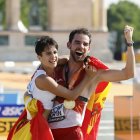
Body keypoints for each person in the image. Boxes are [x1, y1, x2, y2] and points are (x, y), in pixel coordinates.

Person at [14, 25, 135, 140]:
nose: (81, 46)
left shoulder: (94, 74)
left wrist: (129, 43)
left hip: (72, 134)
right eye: (77, 42)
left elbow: (128, 73)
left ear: (88, 49)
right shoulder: (55, 67)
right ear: (69, 45)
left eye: (85, 44)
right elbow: (35, 81)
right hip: (47, 132)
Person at [7, 36, 95, 140]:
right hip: (37, 130)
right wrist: (88, 77)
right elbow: (72, 95)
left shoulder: (44, 67)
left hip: (42, 124)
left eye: (55, 52)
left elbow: (66, 59)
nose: (53, 56)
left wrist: (83, 58)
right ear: (39, 57)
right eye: (48, 53)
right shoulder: (44, 80)